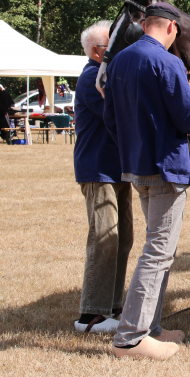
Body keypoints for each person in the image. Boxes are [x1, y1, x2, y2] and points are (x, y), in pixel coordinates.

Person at [103, 2, 190, 360]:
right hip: (166, 171)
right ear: (171, 29)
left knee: (159, 248)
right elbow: (188, 119)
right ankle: (130, 338)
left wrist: (135, 149)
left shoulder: (118, 61)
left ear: (146, 23)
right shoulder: (168, 62)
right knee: (158, 251)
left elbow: (110, 119)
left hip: (138, 170)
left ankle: (151, 328)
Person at [73, 21, 134, 335]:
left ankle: (111, 307)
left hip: (116, 170)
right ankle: (91, 314)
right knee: (105, 238)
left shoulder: (104, 76)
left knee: (122, 238)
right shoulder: (90, 79)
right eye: (113, 44)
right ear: (99, 51)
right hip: (99, 171)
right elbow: (120, 115)